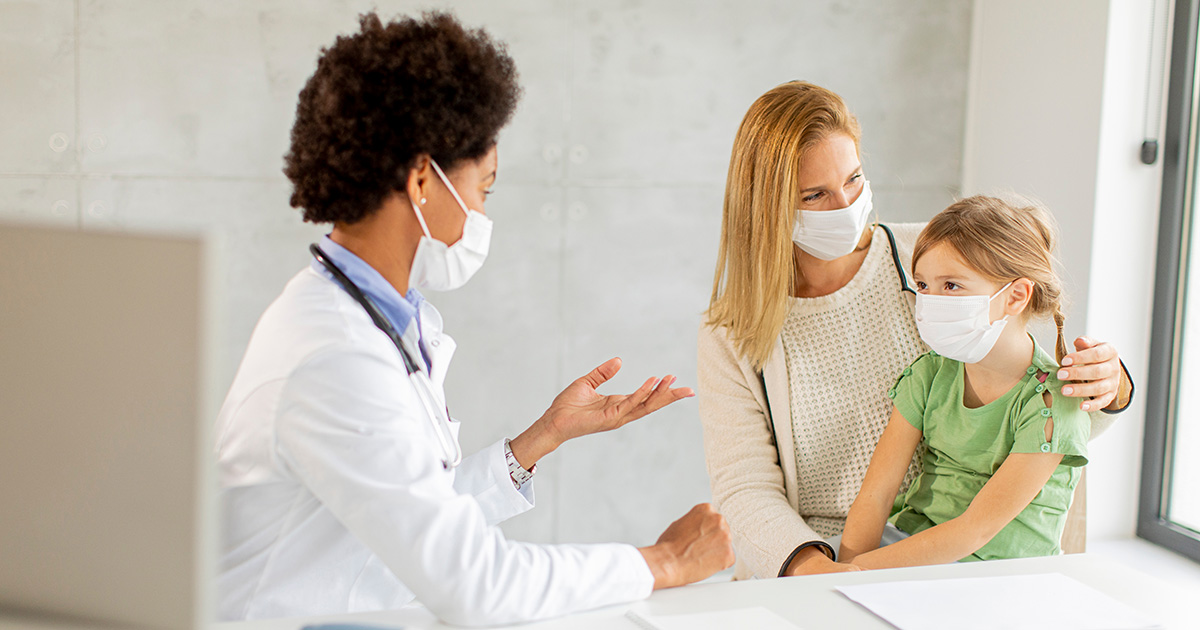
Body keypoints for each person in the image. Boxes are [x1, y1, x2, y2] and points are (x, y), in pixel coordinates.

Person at [214, 12, 733, 625]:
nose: (483, 216)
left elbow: (415, 516)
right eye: (483, 190)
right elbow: (476, 584)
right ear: (421, 181)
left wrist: (539, 440)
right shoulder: (334, 353)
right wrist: (661, 562)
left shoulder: (379, 322)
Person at [697, 81, 1133, 580]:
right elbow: (744, 487)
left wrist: (1111, 387)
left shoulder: (933, 259)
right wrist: (821, 571)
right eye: (814, 194)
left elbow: (1039, 406)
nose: (845, 205)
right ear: (766, 205)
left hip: (944, 554)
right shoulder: (732, 331)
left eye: (855, 179)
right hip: (821, 556)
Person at [837, 195, 1089, 568]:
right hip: (912, 545)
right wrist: (838, 573)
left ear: (1015, 296)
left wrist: (858, 573)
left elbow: (976, 530)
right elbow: (876, 495)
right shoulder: (929, 375)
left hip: (1001, 576)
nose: (930, 301)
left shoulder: (1052, 403)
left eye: (951, 286)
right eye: (922, 285)